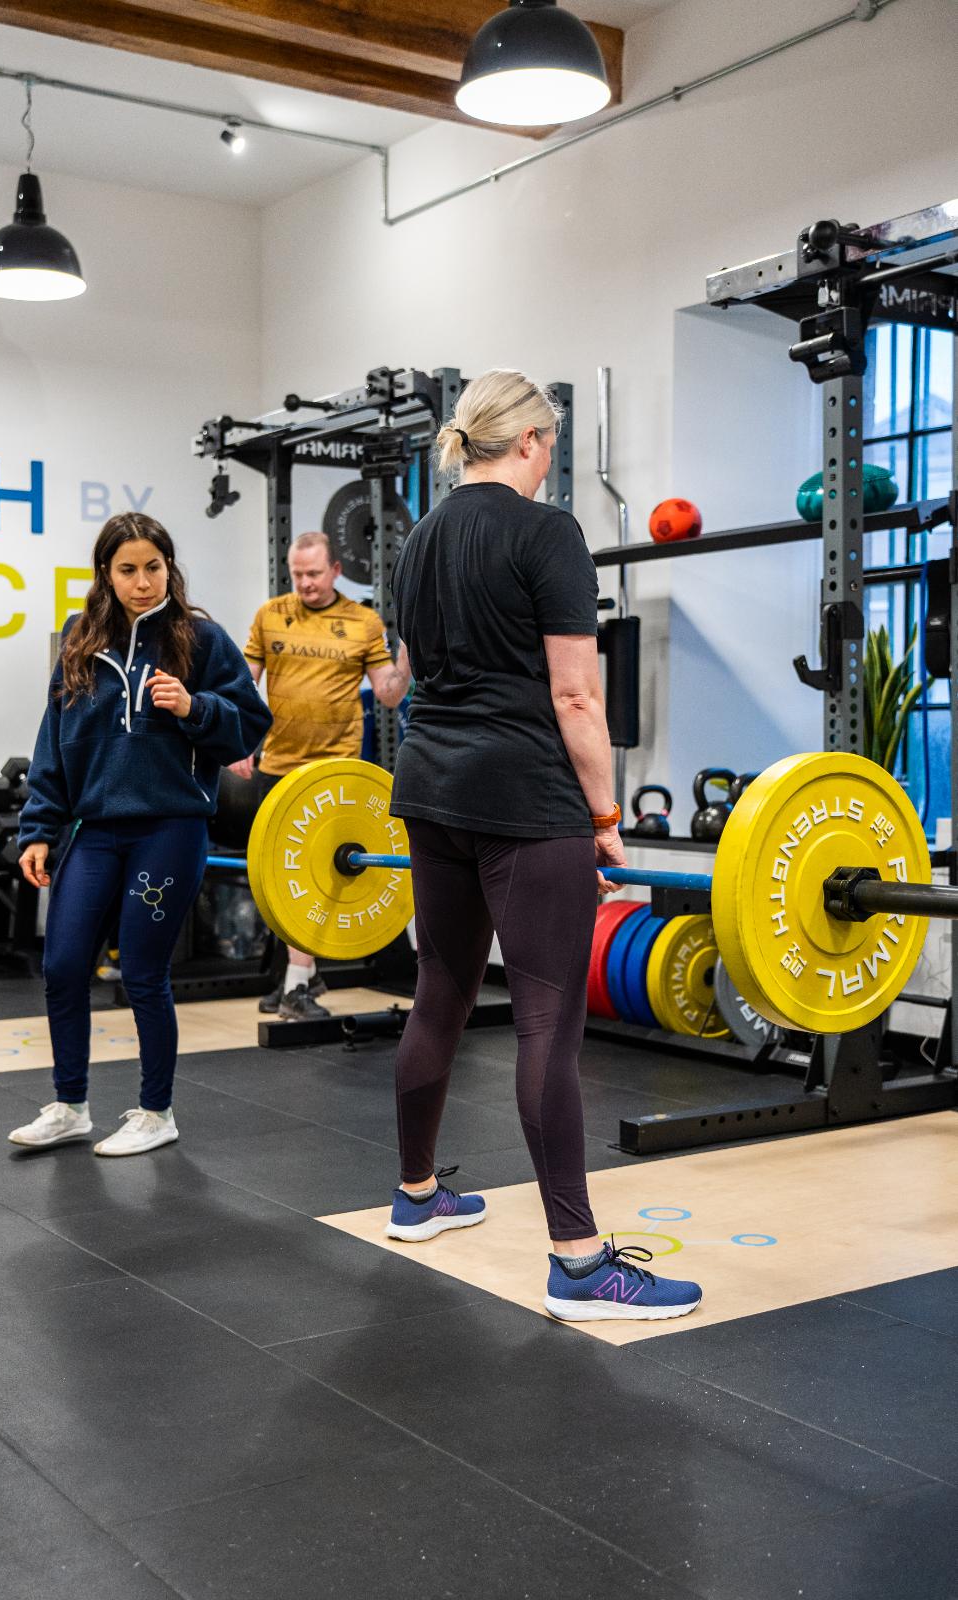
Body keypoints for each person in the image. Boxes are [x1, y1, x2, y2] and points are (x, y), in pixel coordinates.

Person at [385, 370, 702, 1323]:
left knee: (439, 991)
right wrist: (607, 818)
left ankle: (414, 1196)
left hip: (429, 792)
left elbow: (403, 681)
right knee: (545, 1024)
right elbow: (574, 696)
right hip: (526, 798)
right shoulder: (547, 533)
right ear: (528, 441)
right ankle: (576, 1259)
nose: (551, 458)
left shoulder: (418, 540)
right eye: (549, 443)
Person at [8, 512, 271, 1157]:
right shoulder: (79, 640)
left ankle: (157, 1112)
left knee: (143, 972)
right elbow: (53, 743)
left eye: (153, 567)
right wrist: (38, 829)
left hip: (169, 829)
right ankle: (70, 1105)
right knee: (65, 964)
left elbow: (249, 725)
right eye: (128, 570)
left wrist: (194, 708)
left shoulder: (199, 640)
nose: (143, 582)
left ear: (168, 568)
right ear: (106, 574)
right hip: (94, 831)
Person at [231, 530, 412, 1019]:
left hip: (334, 776)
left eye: (314, 573)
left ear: (336, 570)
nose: (306, 583)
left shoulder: (363, 622)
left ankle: (296, 985)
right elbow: (244, 686)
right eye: (297, 574)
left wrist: (410, 646)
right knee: (279, 883)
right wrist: (240, 740)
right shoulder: (270, 615)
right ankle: (300, 977)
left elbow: (390, 694)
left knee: (313, 882)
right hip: (279, 768)